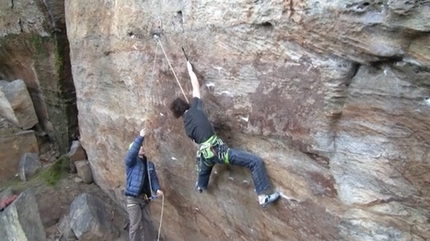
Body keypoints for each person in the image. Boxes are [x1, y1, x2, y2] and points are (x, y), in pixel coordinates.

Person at [169, 61, 280, 208]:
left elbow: (197, 142)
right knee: (255, 162)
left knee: (205, 166)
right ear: (186, 105)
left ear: (178, 115)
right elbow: (195, 86)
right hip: (220, 152)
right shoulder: (195, 107)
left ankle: (200, 185)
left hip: (207, 155)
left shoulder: (187, 128)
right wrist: (190, 70)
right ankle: (262, 197)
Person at [124, 128, 163, 241]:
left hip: (145, 199)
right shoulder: (131, 163)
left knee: (148, 224)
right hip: (133, 199)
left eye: (142, 146)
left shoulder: (149, 164)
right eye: (140, 146)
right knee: (135, 225)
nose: (142, 147)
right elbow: (131, 154)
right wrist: (140, 137)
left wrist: (157, 189)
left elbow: (153, 180)